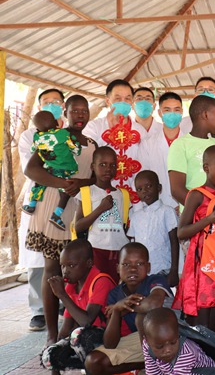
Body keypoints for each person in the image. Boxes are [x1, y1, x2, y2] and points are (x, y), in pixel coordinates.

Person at [25, 94, 96, 345]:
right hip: (53, 205)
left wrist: (82, 183)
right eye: (75, 110)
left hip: (79, 209)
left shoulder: (92, 144)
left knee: (78, 269)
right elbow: (31, 170)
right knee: (52, 269)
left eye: (84, 111)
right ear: (65, 113)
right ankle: (52, 335)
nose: (80, 115)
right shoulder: (53, 137)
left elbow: (96, 177)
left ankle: (74, 329)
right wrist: (64, 184)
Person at [174, 145, 215, 332]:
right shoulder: (197, 195)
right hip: (203, 265)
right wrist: (207, 220)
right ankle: (198, 350)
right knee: (201, 322)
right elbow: (181, 232)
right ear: (206, 168)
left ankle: (214, 351)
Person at [19, 89, 67, 332]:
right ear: (39, 107)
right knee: (39, 258)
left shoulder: (68, 132)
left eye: (56, 102)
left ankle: (61, 302)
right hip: (40, 198)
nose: (52, 105)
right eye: (47, 102)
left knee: (64, 254)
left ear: (63, 106)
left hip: (64, 200)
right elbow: (34, 169)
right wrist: (63, 181)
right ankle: (38, 310)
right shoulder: (29, 135)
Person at [85, 242, 173, 375]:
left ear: (148, 267)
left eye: (139, 264)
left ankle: (153, 365)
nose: (132, 269)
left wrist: (123, 308)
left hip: (170, 339)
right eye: (126, 264)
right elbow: (110, 343)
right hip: (140, 341)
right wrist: (116, 311)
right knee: (93, 362)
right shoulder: (115, 294)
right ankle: (147, 364)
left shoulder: (155, 280)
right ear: (117, 268)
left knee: (142, 317)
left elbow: (153, 304)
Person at [40, 240, 115, 374]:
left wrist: (62, 295)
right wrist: (55, 353)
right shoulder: (72, 286)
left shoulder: (101, 281)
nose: (65, 271)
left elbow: (87, 321)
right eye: (63, 266)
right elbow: (65, 329)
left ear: (89, 263)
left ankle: (93, 368)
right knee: (49, 355)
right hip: (86, 338)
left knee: (79, 335)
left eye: (71, 265)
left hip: (111, 338)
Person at [73, 146, 130, 283]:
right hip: (96, 250)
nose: (108, 169)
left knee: (115, 286)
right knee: (99, 285)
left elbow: (125, 225)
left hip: (119, 250)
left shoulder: (123, 195)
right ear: (93, 167)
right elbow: (78, 226)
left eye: (112, 165)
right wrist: (100, 209)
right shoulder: (87, 192)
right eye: (102, 164)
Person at [84, 79, 144, 203]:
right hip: (101, 197)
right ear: (108, 101)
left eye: (127, 99)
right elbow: (87, 156)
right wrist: (109, 134)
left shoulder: (140, 131)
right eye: (118, 98)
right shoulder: (93, 127)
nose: (123, 102)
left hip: (134, 197)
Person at [23, 110, 81, 232]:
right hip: (64, 169)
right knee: (66, 192)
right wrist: (76, 150)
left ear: (37, 129)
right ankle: (56, 215)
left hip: (48, 168)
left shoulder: (37, 137)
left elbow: (33, 149)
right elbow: (75, 148)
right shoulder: (63, 133)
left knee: (39, 183)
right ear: (56, 123)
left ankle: (31, 205)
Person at [167, 95, 215, 207]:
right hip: (196, 215)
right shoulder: (180, 145)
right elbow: (177, 190)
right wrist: (205, 210)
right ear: (205, 115)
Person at [138, 91, 190, 209]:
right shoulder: (147, 144)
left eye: (176, 110)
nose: (172, 114)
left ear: (182, 112)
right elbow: (143, 178)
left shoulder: (190, 142)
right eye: (167, 110)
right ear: (159, 113)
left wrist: (185, 204)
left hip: (186, 206)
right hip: (157, 206)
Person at [126, 170, 179, 287]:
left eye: (149, 186)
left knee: (161, 297)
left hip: (163, 269)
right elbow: (133, 245)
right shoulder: (135, 217)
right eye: (139, 189)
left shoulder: (167, 211)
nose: (144, 191)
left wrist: (174, 270)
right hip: (142, 272)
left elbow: (174, 241)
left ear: (159, 188)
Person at [142, 307, 215, 374]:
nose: (168, 350)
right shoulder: (147, 346)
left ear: (178, 333)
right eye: (160, 346)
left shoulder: (188, 352)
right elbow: (152, 372)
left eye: (173, 342)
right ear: (147, 340)